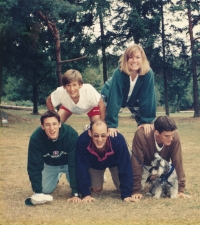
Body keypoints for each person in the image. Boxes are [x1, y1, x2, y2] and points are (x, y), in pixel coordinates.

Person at [27, 110, 81, 205]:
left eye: (54, 124)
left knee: (84, 187)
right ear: (42, 126)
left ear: (60, 124)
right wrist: (38, 192)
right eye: (47, 125)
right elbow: (34, 165)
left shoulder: (71, 134)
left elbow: (74, 163)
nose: (52, 128)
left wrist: (75, 193)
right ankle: (56, 176)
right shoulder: (36, 137)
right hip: (50, 164)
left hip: (68, 164)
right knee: (44, 189)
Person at [101, 44, 156, 137]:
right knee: (102, 125)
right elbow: (115, 98)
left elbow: (148, 97)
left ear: (142, 59)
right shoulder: (119, 73)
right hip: (109, 94)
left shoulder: (148, 73)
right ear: (126, 59)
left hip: (132, 98)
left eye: (138, 57)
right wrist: (111, 125)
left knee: (148, 126)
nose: (134, 61)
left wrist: (146, 120)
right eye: (131, 57)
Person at [76, 119, 137, 203]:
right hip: (95, 164)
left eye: (103, 135)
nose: (100, 139)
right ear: (90, 133)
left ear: (108, 132)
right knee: (96, 189)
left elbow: (125, 166)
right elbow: (82, 168)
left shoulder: (118, 140)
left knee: (121, 188)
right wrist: (86, 194)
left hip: (114, 163)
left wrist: (126, 195)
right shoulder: (83, 140)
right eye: (96, 135)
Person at [131, 115, 191, 200]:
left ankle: (155, 179)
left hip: (162, 167)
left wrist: (180, 189)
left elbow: (177, 161)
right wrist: (136, 189)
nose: (170, 139)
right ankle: (149, 178)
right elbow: (136, 162)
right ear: (157, 132)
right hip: (145, 164)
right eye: (166, 136)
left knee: (166, 184)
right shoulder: (141, 135)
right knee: (122, 186)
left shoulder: (175, 136)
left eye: (172, 135)